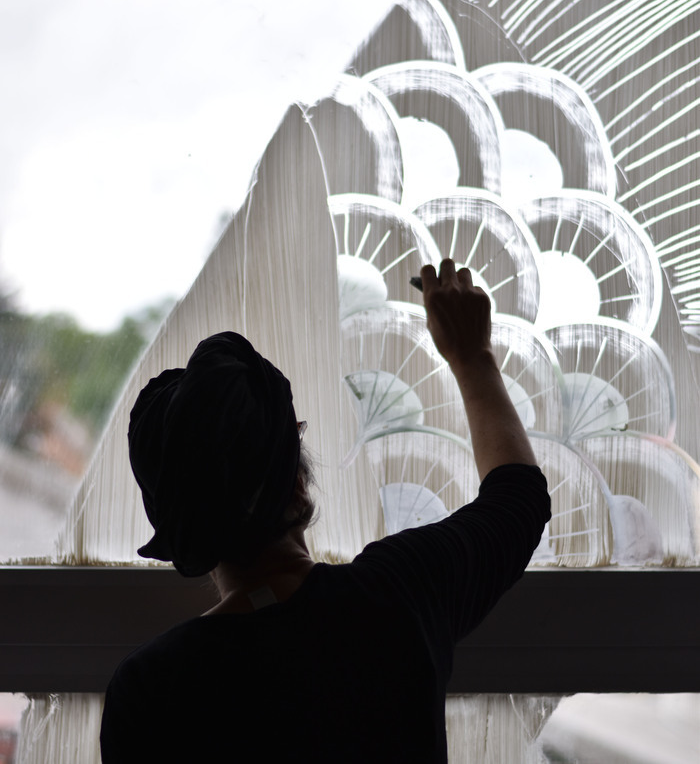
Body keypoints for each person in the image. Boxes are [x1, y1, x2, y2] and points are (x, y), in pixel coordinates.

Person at [100, 259, 550, 763]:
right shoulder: (399, 595)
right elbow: (519, 499)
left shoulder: (149, 690)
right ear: (297, 484)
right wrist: (472, 355)